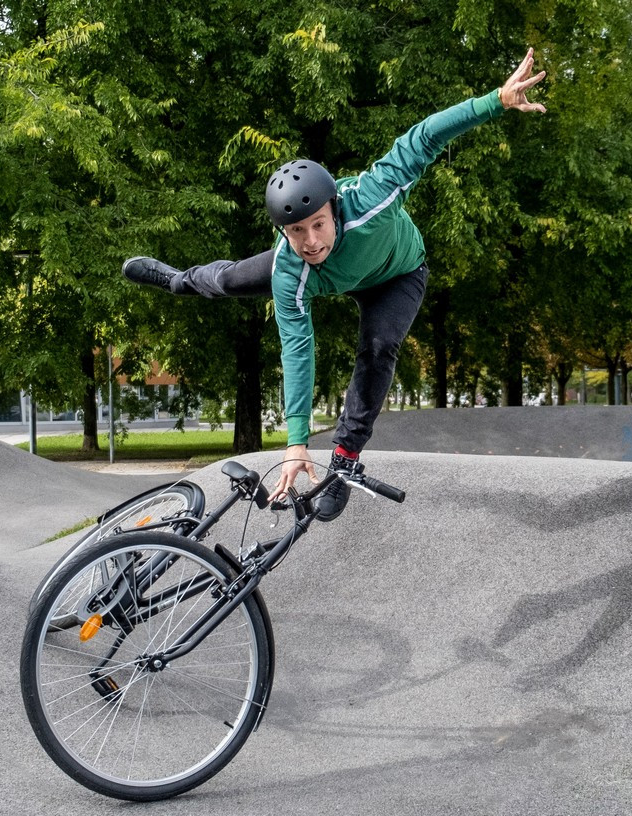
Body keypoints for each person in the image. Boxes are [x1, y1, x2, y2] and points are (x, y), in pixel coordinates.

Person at [123, 50, 548, 519]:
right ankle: (177, 280)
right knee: (228, 278)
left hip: (398, 273)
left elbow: (424, 136)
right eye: (296, 231)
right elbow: (297, 351)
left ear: (333, 209)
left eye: (318, 225)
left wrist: (496, 101)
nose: (310, 241)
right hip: (325, 282)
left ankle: (344, 462)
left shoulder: (372, 196)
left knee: (380, 346)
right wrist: (296, 441)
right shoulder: (291, 267)